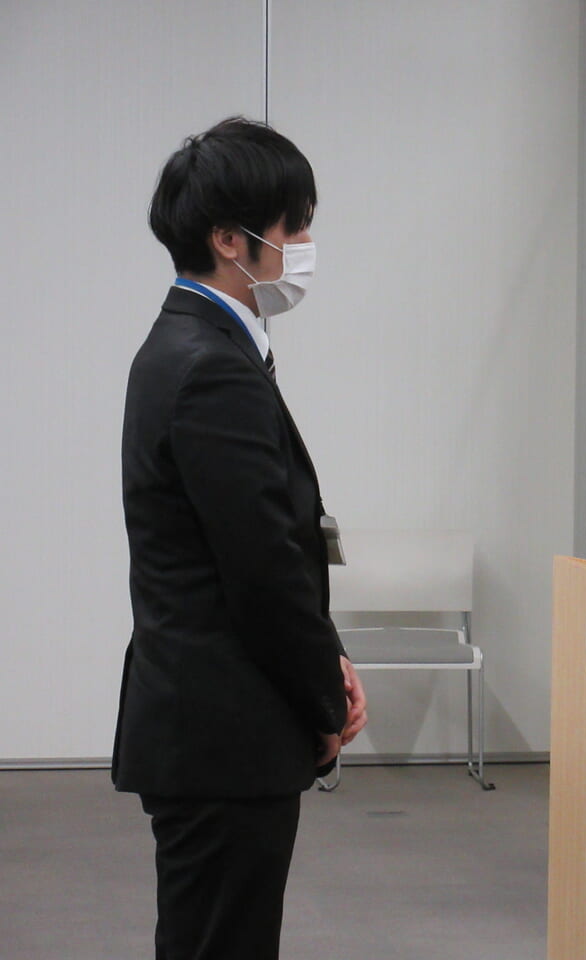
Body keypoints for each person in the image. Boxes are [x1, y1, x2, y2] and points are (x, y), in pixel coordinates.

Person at [112, 117, 368, 960]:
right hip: (225, 731)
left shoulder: (199, 346)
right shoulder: (210, 366)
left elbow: (266, 545)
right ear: (230, 240)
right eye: (294, 227)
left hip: (212, 725)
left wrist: (327, 659)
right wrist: (321, 698)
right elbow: (259, 571)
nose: (304, 247)